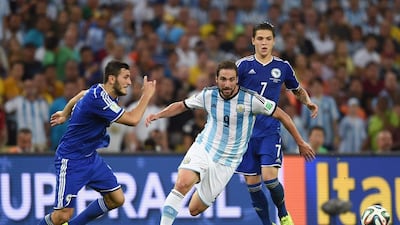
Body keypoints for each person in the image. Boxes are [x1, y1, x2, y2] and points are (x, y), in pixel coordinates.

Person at [145, 61, 315, 225]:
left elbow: (282, 115)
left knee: (194, 209)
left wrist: (300, 142)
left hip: (227, 162)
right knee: (182, 183)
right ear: (216, 80)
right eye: (223, 79)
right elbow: (182, 105)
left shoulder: (250, 100)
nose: (227, 84)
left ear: (237, 80)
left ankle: (202, 180)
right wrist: (159, 114)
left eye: (231, 79)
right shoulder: (208, 95)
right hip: (205, 148)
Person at [37, 60, 156, 225]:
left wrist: (65, 114)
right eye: (126, 77)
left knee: (116, 198)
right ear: (112, 79)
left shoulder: (98, 90)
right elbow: (133, 119)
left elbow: (80, 94)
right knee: (62, 216)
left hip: (90, 158)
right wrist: (147, 95)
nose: (129, 82)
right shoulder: (100, 100)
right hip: (71, 159)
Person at [235, 22, 318, 225]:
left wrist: (307, 102)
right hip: (245, 135)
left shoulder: (282, 67)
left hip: (269, 130)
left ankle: (283, 214)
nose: (264, 43)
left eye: (268, 39)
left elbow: (297, 89)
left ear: (274, 41)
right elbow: (227, 91)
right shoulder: (242, 66)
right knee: (253, 185)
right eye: (260, 39)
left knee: (270, 178)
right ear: (253, 41)